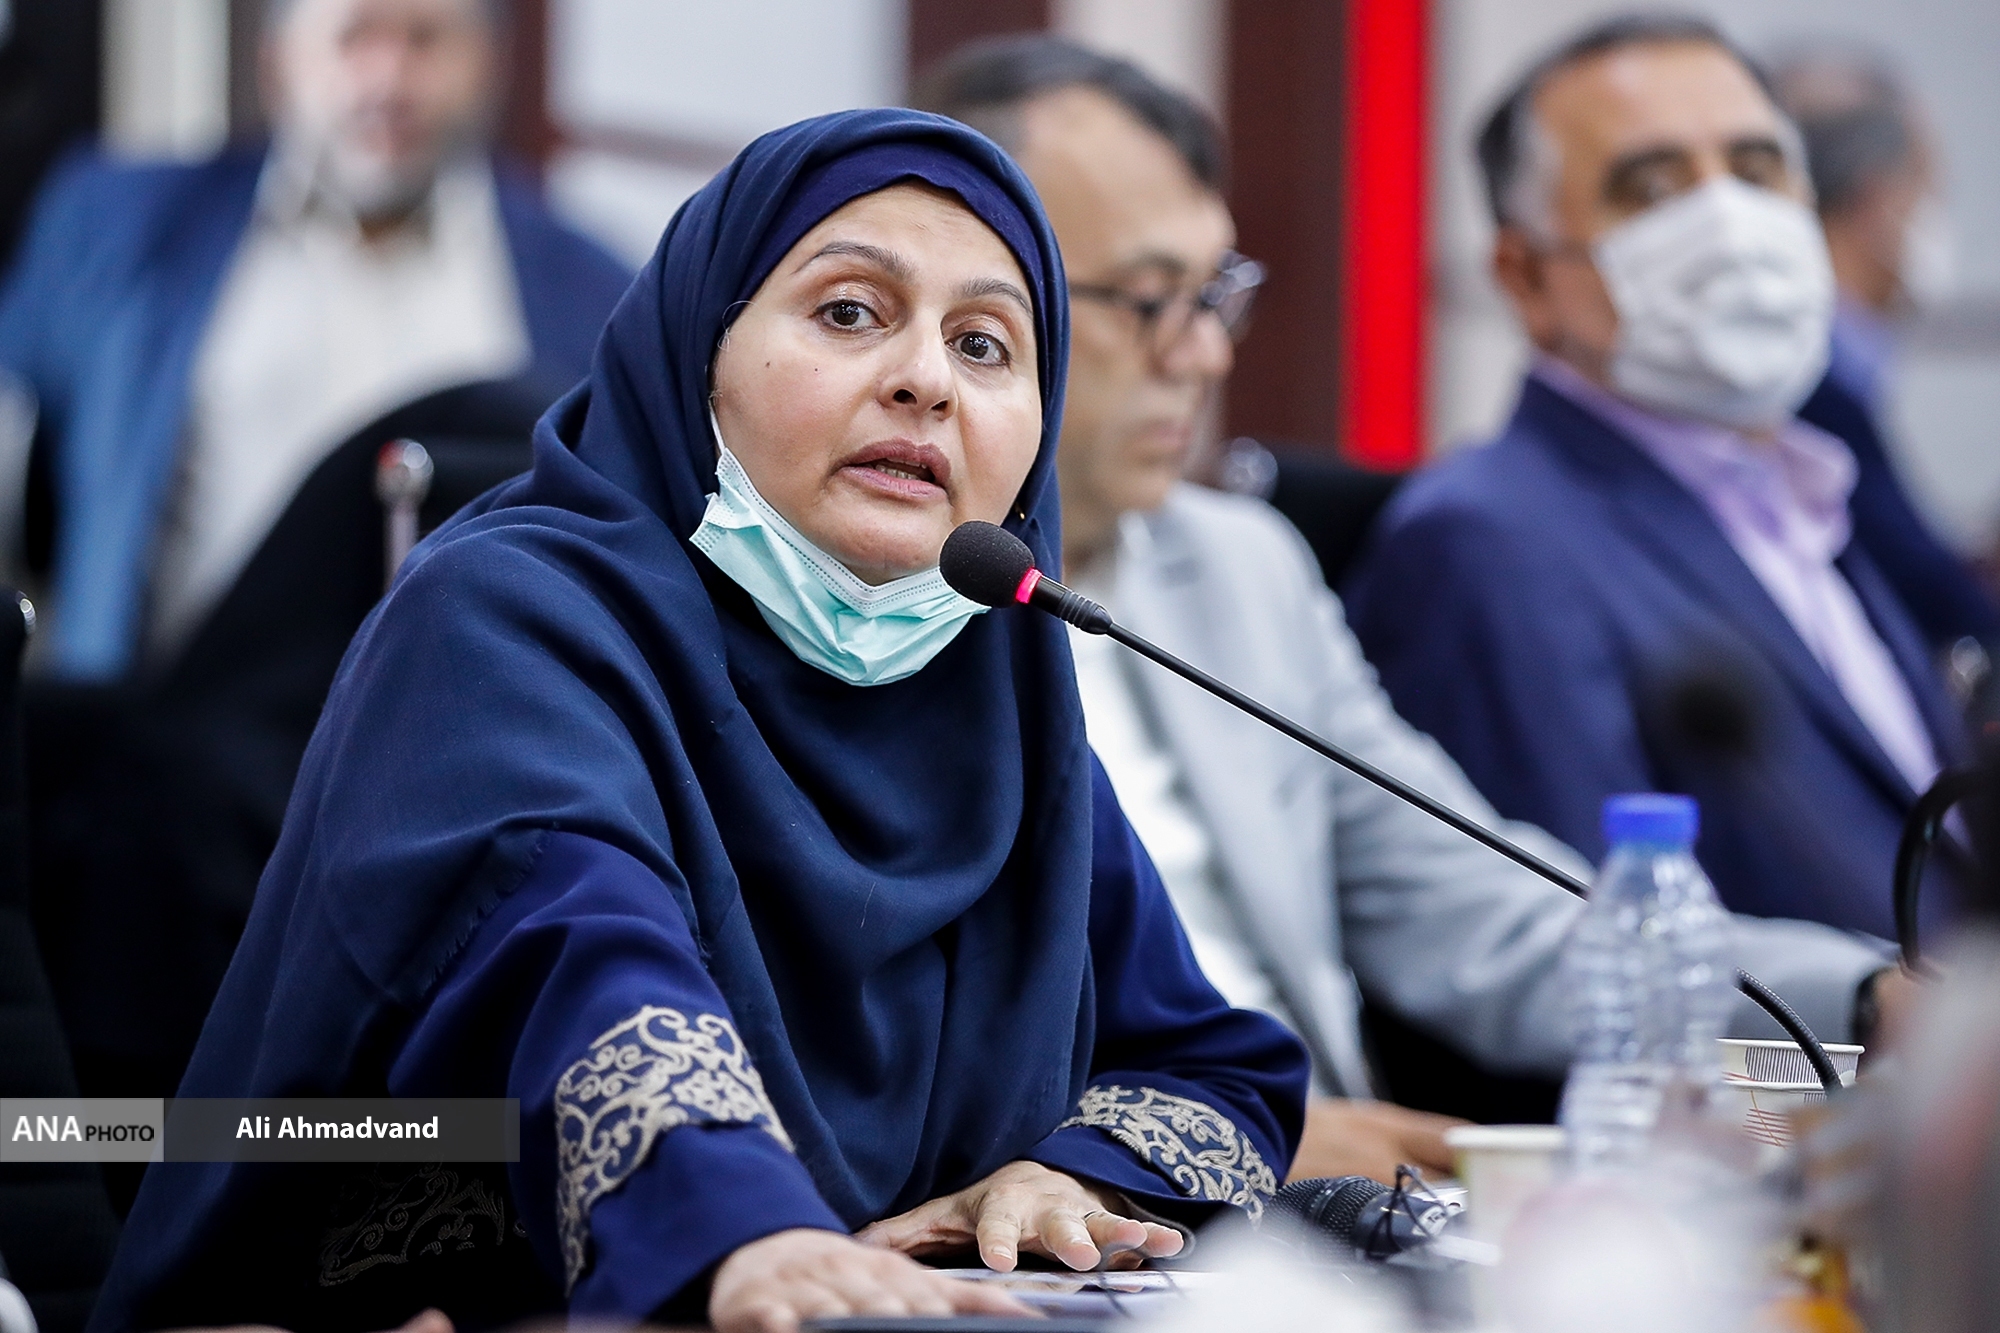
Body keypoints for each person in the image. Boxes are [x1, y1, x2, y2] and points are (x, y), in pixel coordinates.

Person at [93, 109, 1308, 1331]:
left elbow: (1212, 1060)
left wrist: (1069, 1179)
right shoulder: (502, 619)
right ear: (698, 356)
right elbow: (574, 946)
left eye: (985, 345)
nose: (925, 380)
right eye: (849, 312)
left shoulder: (997, 691)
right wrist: (741, 1227)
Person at [914, 34, 1898, 1184]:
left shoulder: (1239, 569)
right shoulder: (868, 595)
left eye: (1215, 295)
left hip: (1331, 1207)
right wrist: (1216, 1132)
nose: (1203, 354)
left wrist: (1864, 993)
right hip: (1076, 1201)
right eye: (1147, 300)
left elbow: (1487, 916)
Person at [0, 0, 629, 1113]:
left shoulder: (588, 286)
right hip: (153, 809)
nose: (387, 75)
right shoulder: (117, 220)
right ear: (280, 59)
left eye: (425, 39)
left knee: (395, 1149)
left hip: (446, 812)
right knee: (145, 1133)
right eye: (353, 37)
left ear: (486, 60)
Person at [1345, 16, 1968, 944]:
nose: (1731, 224)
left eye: (1757, 169)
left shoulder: (1800, 492)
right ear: (1526, 278)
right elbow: (1588, 968)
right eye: (1651, 188)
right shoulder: (1487, 544)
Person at [1771, 48, 2000, 651]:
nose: (1935, 219)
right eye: (1927, 191)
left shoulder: (1842, 377)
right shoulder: (1806, 393)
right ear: (1876, 201)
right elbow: (1935, 604)